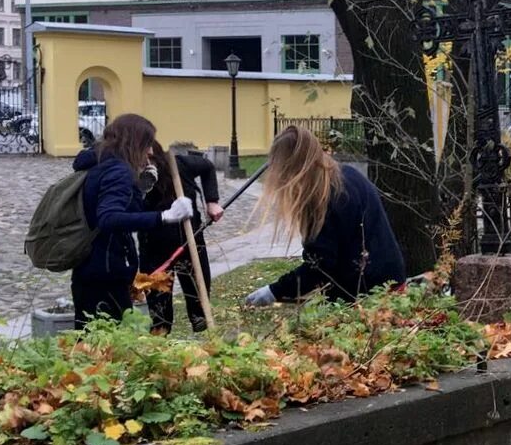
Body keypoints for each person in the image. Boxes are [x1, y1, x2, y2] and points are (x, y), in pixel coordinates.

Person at [242, 125, 405, 307]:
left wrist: (275, 290)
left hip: (368, 296)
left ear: (290, 170)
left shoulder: (325, 198)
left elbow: (319, 267)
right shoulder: (347, 175)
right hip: (390, 281)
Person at [70, 113, 194, 328]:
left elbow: (113, 207)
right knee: (105, 346)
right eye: (147, 144)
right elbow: (108, 218)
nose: (150, 151)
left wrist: (140, 191)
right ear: (134, 142)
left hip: (91, 267)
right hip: (105, 271)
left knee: (90, 344)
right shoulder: (118, 170)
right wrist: (165, 217)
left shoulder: (100, 163)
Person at [138, 141, 224, 334]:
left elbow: (208, 167)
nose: (146, 160)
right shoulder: (131, 177)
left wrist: (212, 202)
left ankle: (204, 334)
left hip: (189, 238)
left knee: (199, 302)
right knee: (159, 311)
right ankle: (160, 337)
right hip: (153, 245)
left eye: (150, 156)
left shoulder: (178, 165)